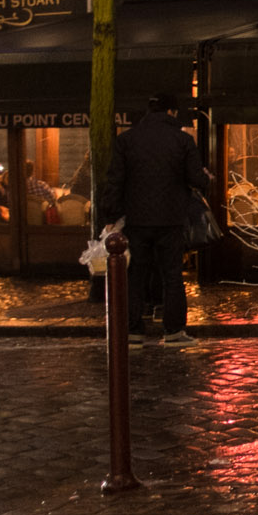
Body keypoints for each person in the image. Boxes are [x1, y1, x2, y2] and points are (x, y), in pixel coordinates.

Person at [100, 93, 212, 348]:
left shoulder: (126, 140)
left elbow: (115, 180)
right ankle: (173, 331)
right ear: (172, 113)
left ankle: (133, 332)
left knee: (135, 275)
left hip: (136, 220)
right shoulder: (182, 140)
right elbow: (196, 179)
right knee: (172, 274)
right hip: (171, 219)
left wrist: (110, 216)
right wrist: (206, 177)